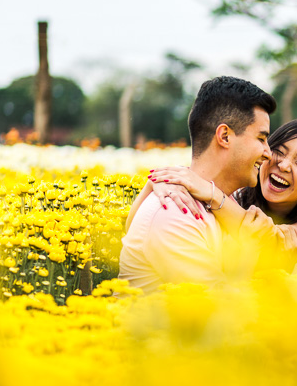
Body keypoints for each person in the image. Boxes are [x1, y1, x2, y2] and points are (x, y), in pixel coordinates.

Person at [119, 75, 278, 293]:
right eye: (261, 139)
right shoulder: (173, 211)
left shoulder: (224, 200)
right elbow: (222, 311)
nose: (268, 153)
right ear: (225, 136)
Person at [134, 117, 297, 278]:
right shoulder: (238, 190)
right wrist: (154, 182)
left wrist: (213, 195)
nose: (284, 165)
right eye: (279, 151)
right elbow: (133, 232)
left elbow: (271, 240)